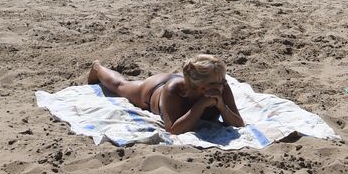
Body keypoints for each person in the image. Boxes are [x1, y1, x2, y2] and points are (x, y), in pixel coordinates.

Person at [87, 56, 245, 132]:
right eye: (218, 82)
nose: (223, 85)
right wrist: (201, 104)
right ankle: (97, 68)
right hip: (154, 89)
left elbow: (239, 123)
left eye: (223, 81)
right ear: (202, 87)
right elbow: (174, 129)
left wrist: (223, 108)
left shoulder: (222, 88)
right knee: (120, 86)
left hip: (189, 82)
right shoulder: (173, 91)